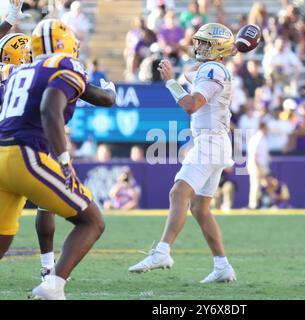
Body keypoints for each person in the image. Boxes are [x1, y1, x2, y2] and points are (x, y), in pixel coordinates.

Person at [0, 19, 106, 300]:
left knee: (2, 236)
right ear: (67, 43)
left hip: (1, 155)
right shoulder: (65, 64)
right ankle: (54, 284)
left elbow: (99, 97)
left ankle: (50, 278)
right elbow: (50, 109)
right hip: (26, 154)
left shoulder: (19, 70)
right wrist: (64, 159)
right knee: (92, 221)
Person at [128, 23, 237, 283]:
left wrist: (169, 83)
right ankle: (222, 266)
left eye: (205, 43)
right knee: (200, 208)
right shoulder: (210, 68)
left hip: (210, 142)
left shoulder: (212, 69)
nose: (198, 46)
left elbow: (190, 104)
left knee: (178, 192)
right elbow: (192, 73)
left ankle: (163, 251)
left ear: (217, 48)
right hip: (215, 141)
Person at [246, 122, 270, 209]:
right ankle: (253, 205)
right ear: (263, 127)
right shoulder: (256, 138)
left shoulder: (264, 138)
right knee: (255, 185)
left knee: (266, 184)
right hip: (256, 165)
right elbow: (253, 154)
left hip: (263, 165)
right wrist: (256, 168)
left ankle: (265, 203)